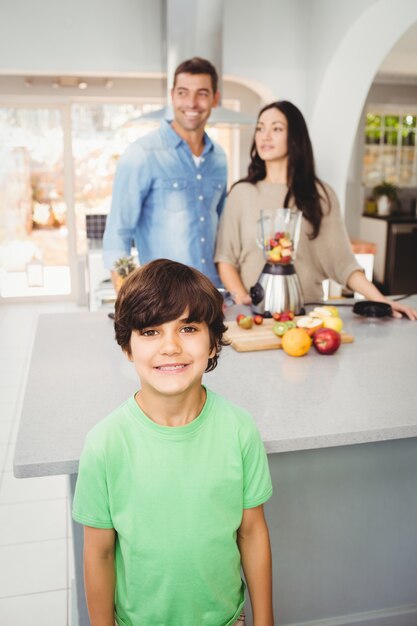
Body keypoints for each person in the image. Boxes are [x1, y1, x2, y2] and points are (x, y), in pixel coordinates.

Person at [73, 259, 274, 626]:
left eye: (188, 328)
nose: (170, 347)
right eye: (150, 332)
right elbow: (98, 555)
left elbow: (252, 532)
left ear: (213, 343)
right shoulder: (105, 444)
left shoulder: (240, 430)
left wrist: (265, 621)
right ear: (127, 348)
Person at [215, 100, 417, 320]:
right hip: (255, 315)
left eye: (277, 129)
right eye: (260, 128)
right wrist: (243, 298)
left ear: (295, 137)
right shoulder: (241, 193)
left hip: (308, 315)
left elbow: (343, 263)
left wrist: (381, 299)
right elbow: (226, 258)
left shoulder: (320, 195)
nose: (265, 136)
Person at [103, 57, 227, 289]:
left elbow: (223, 230)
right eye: (183, 92)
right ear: (172, 96)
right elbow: (118, 233)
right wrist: (127, 300)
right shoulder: (142, 153)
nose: (191, 102)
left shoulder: (219, 158)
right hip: (165, 298)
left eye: (201, 93)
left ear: (215, 99)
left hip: (213, 295)